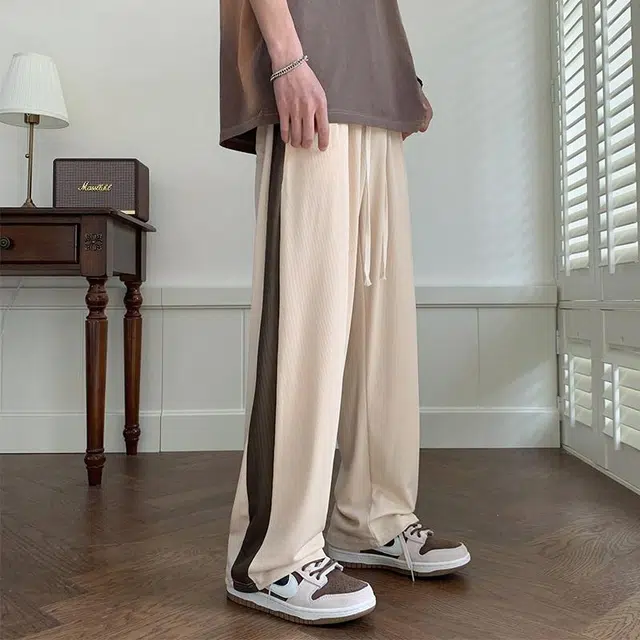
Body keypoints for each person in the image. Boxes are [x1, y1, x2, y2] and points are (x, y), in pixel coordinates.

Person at [219, 0, 471, 626]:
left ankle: (370, 517)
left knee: (380, 326)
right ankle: (270, 558)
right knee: (306, 319)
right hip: (309, 69)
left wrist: (399, 77)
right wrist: (287, 58)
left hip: (375, 90)